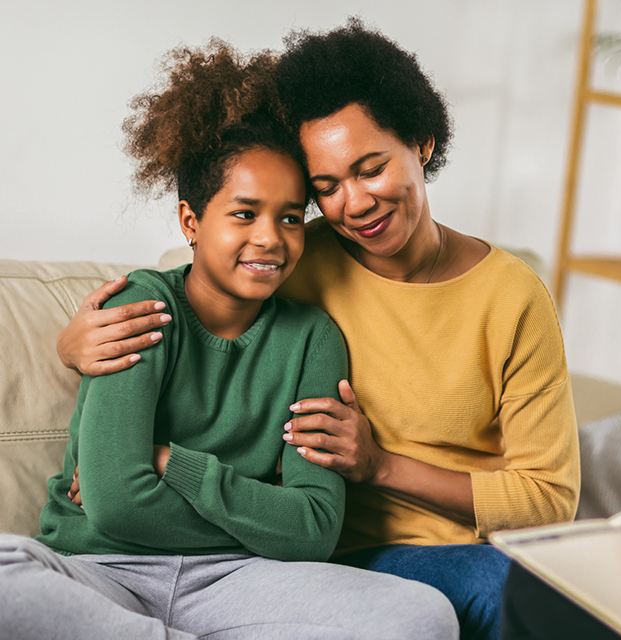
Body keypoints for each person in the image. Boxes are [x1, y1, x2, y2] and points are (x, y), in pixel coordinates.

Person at [55, 20, 581, 640]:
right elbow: (201, 291)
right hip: (308, 561)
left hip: (437, 553)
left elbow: (549, 500)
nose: (354, 203)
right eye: (326, 187)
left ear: (423, 143)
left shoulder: (512, 295)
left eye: (371, 168)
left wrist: (380, 466)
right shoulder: (298, 258)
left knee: (529, 588)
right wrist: (74, 345)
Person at [0, 40, 460, 640]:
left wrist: (176, 467)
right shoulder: (140, 305)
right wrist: (262, 511)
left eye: (291, 217)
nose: (270, 238)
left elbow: (315, 527)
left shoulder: (313, 338)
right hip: (101, 570)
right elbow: (114, 505)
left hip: (237, 581)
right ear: (192, 222)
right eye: (244, 214)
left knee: (422, 616)